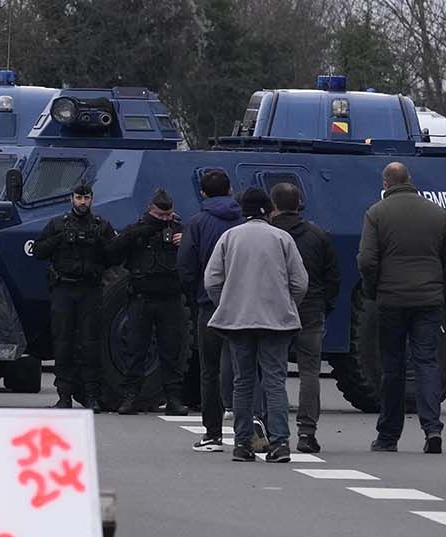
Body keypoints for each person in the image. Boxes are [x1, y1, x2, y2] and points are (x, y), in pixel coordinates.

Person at [357, 162, 446, 454]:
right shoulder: (436, 213)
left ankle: (388, 436)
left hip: (391, 301)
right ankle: (432, 429)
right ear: (410, 180)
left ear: (386, 183)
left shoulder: (376, 214)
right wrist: (444, 290)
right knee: (427, 363)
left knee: (392, 367)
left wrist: (373, 290)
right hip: (429, 301)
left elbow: (367, 260)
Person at [205, 187, 308, 463]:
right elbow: (300, 282)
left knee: (242, 382)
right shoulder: (282, 238)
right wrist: (287, 304)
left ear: (243, 211)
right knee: (274, 381)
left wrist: (227, 303)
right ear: (269, 210)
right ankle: (280, 443)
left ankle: (242, 444)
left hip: (239, 321)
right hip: (276, 321)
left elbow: (212, 280)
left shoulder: (229, 237)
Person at [270, 182, 341, 453]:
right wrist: (325, 305)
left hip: (274, 310)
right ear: (299, 203)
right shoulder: (317, 235)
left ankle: (273, 430)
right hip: (311, 310)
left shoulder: (269, 234)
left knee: (272, 371)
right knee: (309, 371)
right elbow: (332, 276)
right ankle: (307, 432)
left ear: (273, 205)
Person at [33, 183, 115, 411]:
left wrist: (97, 240)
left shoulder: (101, 226)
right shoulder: (58, 225)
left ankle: (91, 395)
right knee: (63, 344)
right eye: (78, 197)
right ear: (71, 198)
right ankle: (64, 395)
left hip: (90, 289)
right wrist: (60, 239)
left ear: (91, 199)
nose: (82, 202)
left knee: (91, 344)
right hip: (64, 289)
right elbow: (38, 251)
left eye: (86, 198)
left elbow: (113, 255)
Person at [179, 168, 244, 451]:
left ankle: (213, 434)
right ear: (230, 190)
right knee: (246, 368)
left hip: (209, 305)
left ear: (202, 193)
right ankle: (247, 429)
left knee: (210, 369)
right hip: (244, 305)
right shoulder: (244, 221)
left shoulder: (197, 223)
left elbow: (185, 265)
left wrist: (196, 294)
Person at [108, 188, 188, 416]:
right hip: (141, 298)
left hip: (170, 298)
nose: (163, 220)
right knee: (135, 350)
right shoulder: (137, 230)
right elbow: (113, 251)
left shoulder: (179, 230)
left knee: (172, 351)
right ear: (149, 210)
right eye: (159, 215)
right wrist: (140, 232)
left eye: (167, 215)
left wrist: (186, 241)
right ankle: (130, 396)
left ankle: (173, 398)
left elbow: (195, 258)